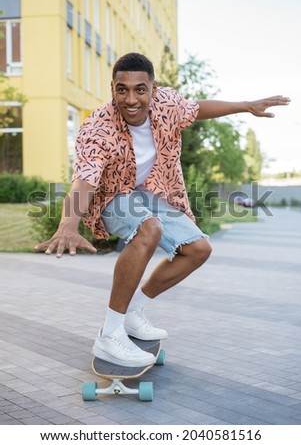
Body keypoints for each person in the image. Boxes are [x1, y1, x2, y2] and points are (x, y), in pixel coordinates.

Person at [35, 52, 290, 368]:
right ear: (112, 88)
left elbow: (196, 109)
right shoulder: (97, 128)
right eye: (121, 89)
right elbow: (84, 180)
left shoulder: (167, 105)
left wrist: (246, 106)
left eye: (139, 89)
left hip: (150, 192)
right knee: (150, 228)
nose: (131, 99)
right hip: (111, 197)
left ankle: (132, 313)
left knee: (198, 249)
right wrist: (68, 225)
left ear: (153, 89)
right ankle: (110, 335)